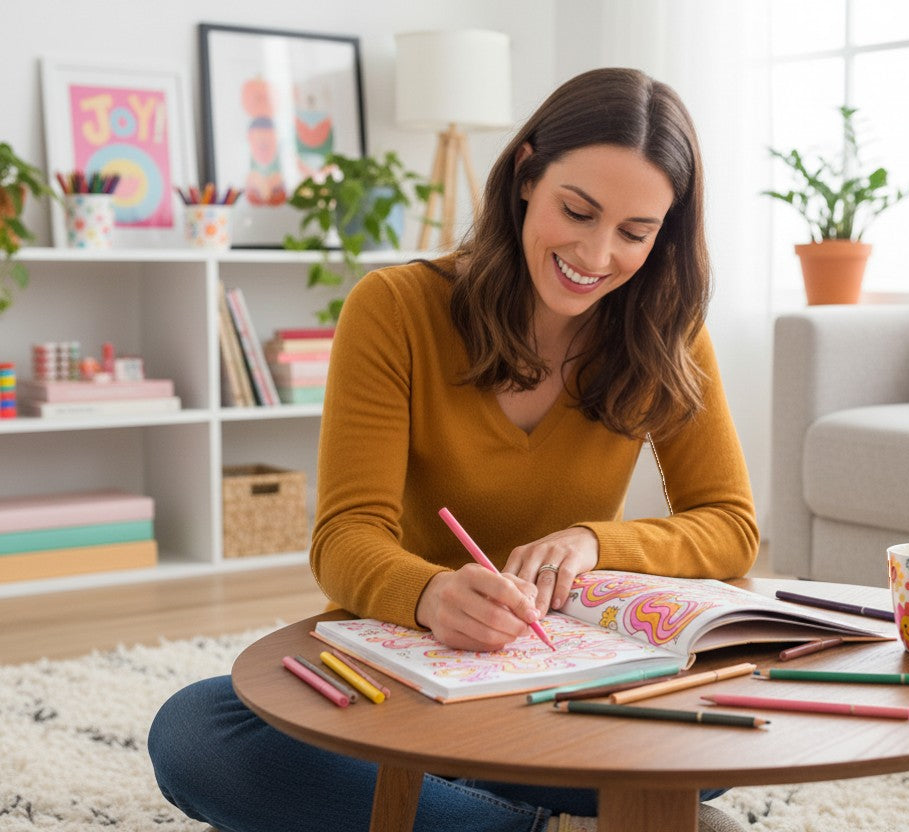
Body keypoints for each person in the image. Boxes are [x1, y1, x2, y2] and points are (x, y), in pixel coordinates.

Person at [149, 66, 758, 832]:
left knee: (716, 739)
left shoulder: (665, 331)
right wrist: (432, 596)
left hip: (563, 675)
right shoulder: (396, 308)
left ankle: (445, 809)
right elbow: (343, 539)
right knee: (197, 734)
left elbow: (730, 523)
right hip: (403, 668)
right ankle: (544, 825)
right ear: (527, 175)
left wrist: (593, 543)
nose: (597, 254)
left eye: (635, 233)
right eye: (578, 211)